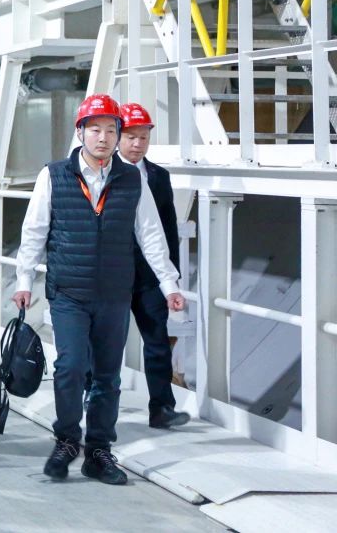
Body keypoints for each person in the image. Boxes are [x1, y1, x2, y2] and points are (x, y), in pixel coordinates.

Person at [14, 94, 185, 486]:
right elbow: (34, 230)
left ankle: (98, 452)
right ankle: (66, 440)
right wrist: (24, 280)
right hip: (68, 291)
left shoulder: (132, 179)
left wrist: (168, 283)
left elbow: (151, 234)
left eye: (111, 130)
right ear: (80, 133)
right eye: (95, 129)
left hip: (114, 293)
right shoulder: (54, 175)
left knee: (108, 376)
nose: (104, 138)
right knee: (71, 366)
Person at [117, 103, 189, 430]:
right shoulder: (105, 174)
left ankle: (162, 408)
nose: (137, 144)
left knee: (158, 341)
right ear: (118, 137)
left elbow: (168, 229)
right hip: (114, 275)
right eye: (131, 137)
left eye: (143, 137)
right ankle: (93, 400)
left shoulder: (159, 176)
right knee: (103, 343)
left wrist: (171, 280)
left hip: (150, 277)